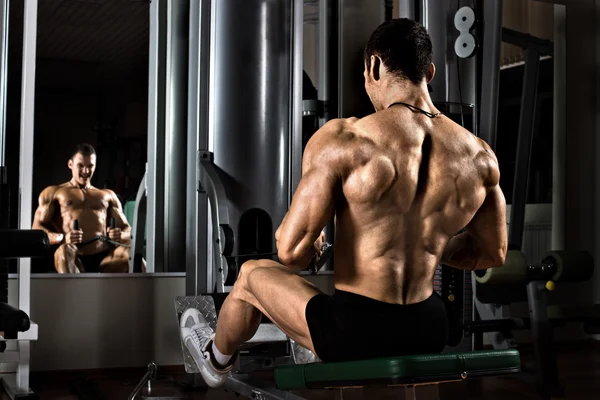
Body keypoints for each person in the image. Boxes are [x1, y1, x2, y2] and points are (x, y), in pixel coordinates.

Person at [179, 18, 508, 387]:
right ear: (429, 73)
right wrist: (426, 244)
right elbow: (491, 252)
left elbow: (290, 252)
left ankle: (214, 360)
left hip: (355, 331)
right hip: (429, 328)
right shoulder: (480, 156)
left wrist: (313, 244)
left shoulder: (345, 138)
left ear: (374, 66)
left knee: (251, 275)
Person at [32, 143, 131, 273]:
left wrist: (120, 235)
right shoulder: (54, 192)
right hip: (74, 257)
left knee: (130, 253)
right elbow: (36, 230)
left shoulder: (107, 195)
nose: (86, 171)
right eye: (81, 166)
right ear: (70, 165)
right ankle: (75, 292)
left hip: (104, 259)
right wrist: (62, 238)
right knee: (64, 251)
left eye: (90, 166)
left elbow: (128, 231)